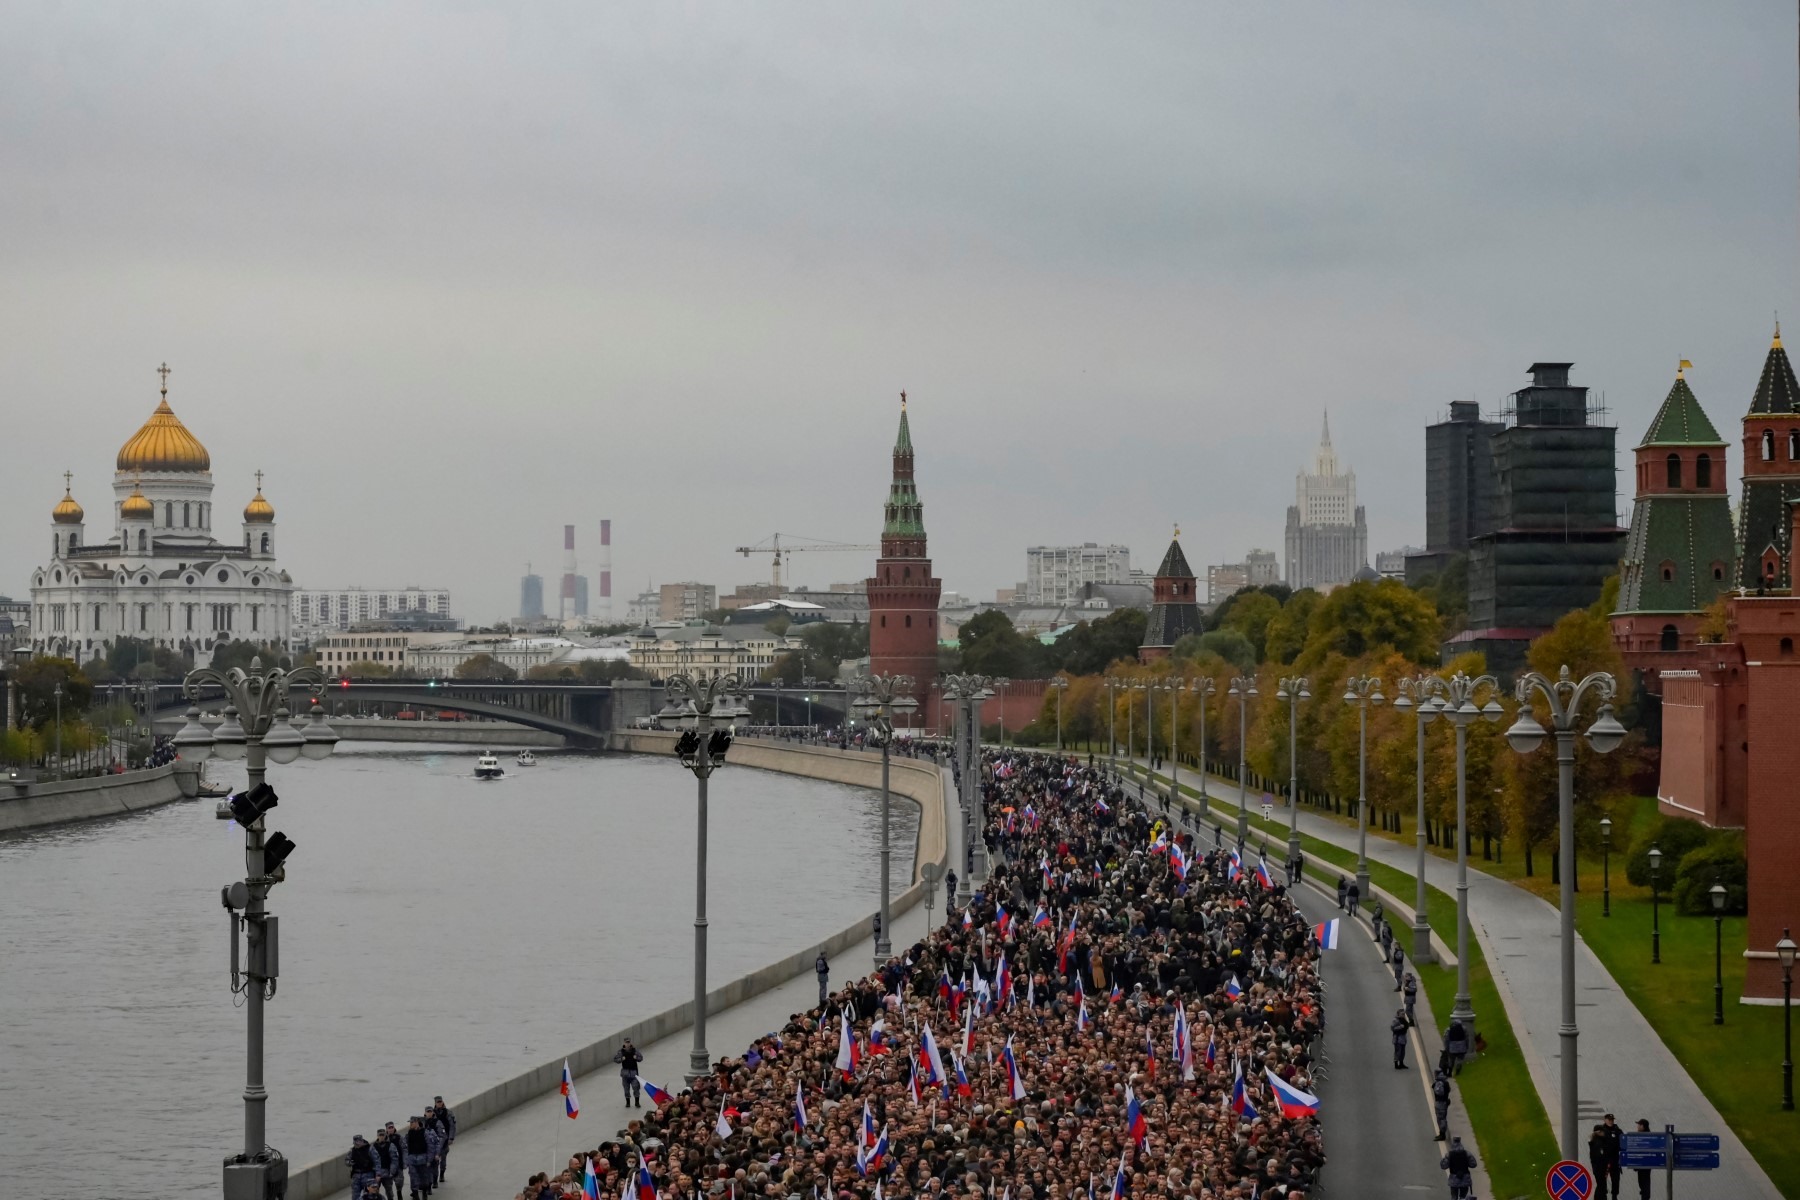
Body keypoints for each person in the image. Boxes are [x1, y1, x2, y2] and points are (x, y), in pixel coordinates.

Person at [403, 1116, 434, 1200]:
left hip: (422, 1158)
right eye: (410, 1123)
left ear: (416, 1122)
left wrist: (429, 1159)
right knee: (413, 1177)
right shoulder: (409, 1133)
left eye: (412, 1123)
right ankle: (415, 1194)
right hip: (412, 1158)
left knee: (424, 1177)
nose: (410, 1124)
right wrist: (407, 1159)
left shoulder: (425, 1132)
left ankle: (424, 1193)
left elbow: (430, 1146)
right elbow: (405, 1147)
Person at [1441, 1135, 1477, 1200]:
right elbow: (1473, 1164)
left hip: (1454, 1180)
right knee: (1463, 1197)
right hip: (1465, 1179)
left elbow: (1443, 1166)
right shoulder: (1467, 1153)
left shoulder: (1449, 1155)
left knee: (1454, 1197)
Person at [373, 1126, 404, 1200]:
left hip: (387, 1173)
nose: (381, 1137)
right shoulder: (373, 1147)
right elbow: (371, 1161)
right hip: (377, 1174)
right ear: (377, 1136)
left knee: (389, 1192)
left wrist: (392, 1172)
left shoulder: (391, 1146)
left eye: (383, 1135)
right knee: (374, 1192)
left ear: (385, 1135)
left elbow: (394, 1160)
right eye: (380, 1135)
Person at [430, 1098, 455, 1182]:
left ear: (443, 1102)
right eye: (438, 1102)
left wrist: (451, 1138)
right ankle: (434, 1179)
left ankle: (442, 1174)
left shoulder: (447, 1113)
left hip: (445, 1139)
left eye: (440, 1102)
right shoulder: (432, 1113)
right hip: (434, 1140)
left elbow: (452, 1125)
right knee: (435, 1161)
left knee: (443, 1160)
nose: (439, 1103)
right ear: (435, 1103)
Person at [346, 1133, 379, 1199]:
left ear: (362, 1141)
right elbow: (346, 1160)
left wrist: (378, 1174)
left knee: (369, 1195)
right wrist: (350, 1162)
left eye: (359, 1142)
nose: (357, 1144)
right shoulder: (352, 1151)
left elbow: (377, 1161)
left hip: (368, 1175)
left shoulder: (370, 1149)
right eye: (356, 1143)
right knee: (355, 1196)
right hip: (356, 1175)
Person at [613, 1039, 643, 1107]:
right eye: (626, 1042)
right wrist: (621, 1059)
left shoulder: (635, 1051)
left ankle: (637, 1102)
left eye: (629, 1042)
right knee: (626, 1089)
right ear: (624, 1043)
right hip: (625, 1074)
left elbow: (641, 1058)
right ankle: (628, 1103)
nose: (628, 1044)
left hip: (634, 1073)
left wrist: (636, 1058)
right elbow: (615, 1059)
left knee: (636, 1088)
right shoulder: (621, 1052)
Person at [1600, 1113, 1624, 1200]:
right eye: (1609, 1120)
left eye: (1612, 1120)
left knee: (1616, 1179)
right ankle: (1603, 1195)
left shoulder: (1618, 1131)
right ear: (1605, 1120)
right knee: (1603, 1178)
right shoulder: (1601, 1131)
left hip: (1615, 1159)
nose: (1611, 1121)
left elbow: (1623, 1143)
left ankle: (1614, 1196)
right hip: (1604, 1160)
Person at [1587, 1124, 1610, 1198]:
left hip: (1598, 1168)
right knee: (1601, 1187)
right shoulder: (1598, 1143)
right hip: (1600, 1169)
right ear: (1599, 1132)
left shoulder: (1595, 1141)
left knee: (1601, 1186)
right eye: (1602, 1131)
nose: (1604, 1133)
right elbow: (1600, 1156)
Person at [1633, 1118, 1653, 1200]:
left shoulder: (1646, 1136)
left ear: (1643, 1126)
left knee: (1644, 1182)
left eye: (1639, 1125)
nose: (1637, 1126)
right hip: (1642, 1164)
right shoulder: (1644, 1135)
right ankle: (1644, 1195)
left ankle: (1645, 1197)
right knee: (1642, 1182)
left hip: (1644, 1164)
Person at [1431, 1068, 1451, 1140]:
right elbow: (1449, 1090)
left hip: (1440, 1103)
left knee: (1441, 1118)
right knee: (1442, 1117)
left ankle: (1442, 1134)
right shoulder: (1445, 1082)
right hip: (1444, 1102)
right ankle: (1442, 1133)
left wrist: (1435, 1086)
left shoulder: (1439, 1083)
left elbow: (1439, 1092)